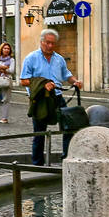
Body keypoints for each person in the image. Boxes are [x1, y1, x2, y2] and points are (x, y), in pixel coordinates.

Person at [20, 28, 82, 164]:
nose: (50, 46)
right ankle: (37, 163)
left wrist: (75, 81)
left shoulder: (59, 59)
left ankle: (67, 158)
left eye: (53, 43)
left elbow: (67, 75)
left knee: (69, 127)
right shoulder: (31, 58)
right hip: (40, 100)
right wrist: (43, 84)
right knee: (39, 133)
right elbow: (23, 80)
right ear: (41, 42)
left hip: (57, 98)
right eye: (47, 43)